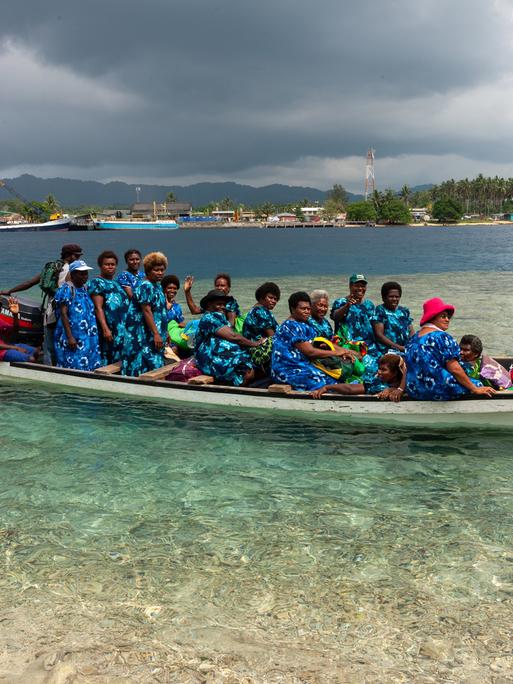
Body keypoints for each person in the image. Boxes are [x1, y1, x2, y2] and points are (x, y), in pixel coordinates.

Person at [0, 243, 83, 365]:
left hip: (50, 313)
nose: (79, 258)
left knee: (48, 346)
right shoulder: (71, 271)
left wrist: (10, 290)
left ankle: (48, 368)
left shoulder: (52, 269)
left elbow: (29, 283)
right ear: (70, 256)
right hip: (65, 312)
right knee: (63, 342)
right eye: (77, 256)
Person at [405, 297, 495, 400]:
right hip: (438, 389)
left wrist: (399, 389)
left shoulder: (413, 339)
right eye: (443, 316)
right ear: (433, 317)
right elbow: (455, 369)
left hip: (415, 390)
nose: (447, 319)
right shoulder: (441, 337)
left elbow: (408, 367)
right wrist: (475, 389)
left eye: (448, 317)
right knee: (478, 383)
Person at [271, 291, 357, 393]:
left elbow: (321, 342)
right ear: (293, 309)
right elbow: (310, 352)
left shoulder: (304, 325)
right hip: (288, 369)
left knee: (339, 378)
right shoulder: (291, 325)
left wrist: (347, 352)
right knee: (332, 385)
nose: (307, 311)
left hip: (303, 365)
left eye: (308, 309)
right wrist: (337, 353)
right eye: (303, 309)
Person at [194, 289, 263, 386]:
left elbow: (232, 331)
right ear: (209, 304)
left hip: (220, 355)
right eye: (219, 304)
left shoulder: (221, 319)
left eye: (223, 304)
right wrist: (255, 344)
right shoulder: (208, 318)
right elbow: (233, 336)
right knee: (248, 373)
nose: (222, 307)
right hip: (209, 358)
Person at [121, 252, 168, 377]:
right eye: (156, 270)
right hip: (143, 333)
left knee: (155, 359)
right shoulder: (145, 286)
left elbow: (161, 311)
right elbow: (146, 311)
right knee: (142, 361)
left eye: (162, 270)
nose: (160, 273)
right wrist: (156, 334)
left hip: (154, 331)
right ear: (148, 270)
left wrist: (165, 331)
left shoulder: (157, 286)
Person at [54, 260, 101, 371]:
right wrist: (70, 337)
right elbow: (64, 313)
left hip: (87, 336)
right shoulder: (67, 289)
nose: (85, 276)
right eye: (81, 273)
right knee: (74, 363)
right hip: (74, 336)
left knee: (89, 363)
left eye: (86, 273)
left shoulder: (84, 289)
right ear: (73, 274)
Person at [88, 251, 129, 365]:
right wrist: (105, 329)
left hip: (121, 328)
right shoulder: (97, 283)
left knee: (120, 358)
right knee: (108, 357)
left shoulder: (116, 283)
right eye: (107, 264)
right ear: (100, 266)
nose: (110, 267)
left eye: (113, 264)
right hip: (108, 329)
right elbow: (98, 308)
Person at [313, 353, 407, 402]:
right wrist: (327, 387)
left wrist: (394, 389)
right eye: (379, 369)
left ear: (395, 373)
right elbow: (350, 389)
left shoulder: (410, 381)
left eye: (383, 370)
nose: (379, 372)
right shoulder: (378, 385)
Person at [331, 273, 377, 355]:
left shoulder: (369, 304)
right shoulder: (341, 302)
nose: (360, 288)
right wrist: (347, 306)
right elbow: (335, 317)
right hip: (349, 345)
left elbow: (373, 325)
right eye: (357, 285)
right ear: (350, 286)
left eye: (363, 286)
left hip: (369, 345)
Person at [372, 281, 414, 354]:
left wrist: (413, 344)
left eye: (397, 296)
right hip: (387, 350)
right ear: (384, 298)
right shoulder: (380, 311)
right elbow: (379, 335)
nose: (394, 299)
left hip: (405, 348)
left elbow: (411, 331)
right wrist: (399, 348)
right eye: (391, 296)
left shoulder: (404, 311)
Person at [0, 297, 39, 362]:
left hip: (7, 346)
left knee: (36, 352)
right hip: (2, 352)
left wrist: (15, 314)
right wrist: (16, 348)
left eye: (0, 305)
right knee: (30, 358)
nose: (0, 308)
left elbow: (15, 330)